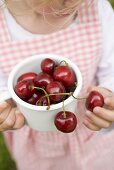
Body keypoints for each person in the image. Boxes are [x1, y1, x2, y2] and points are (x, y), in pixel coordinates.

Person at [0, 0, 114, 169]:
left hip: (91, 132)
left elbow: (111, 68)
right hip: (38, 145)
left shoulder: (96, 8)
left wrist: (108, 93)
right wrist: (5, 100)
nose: (72, 3)